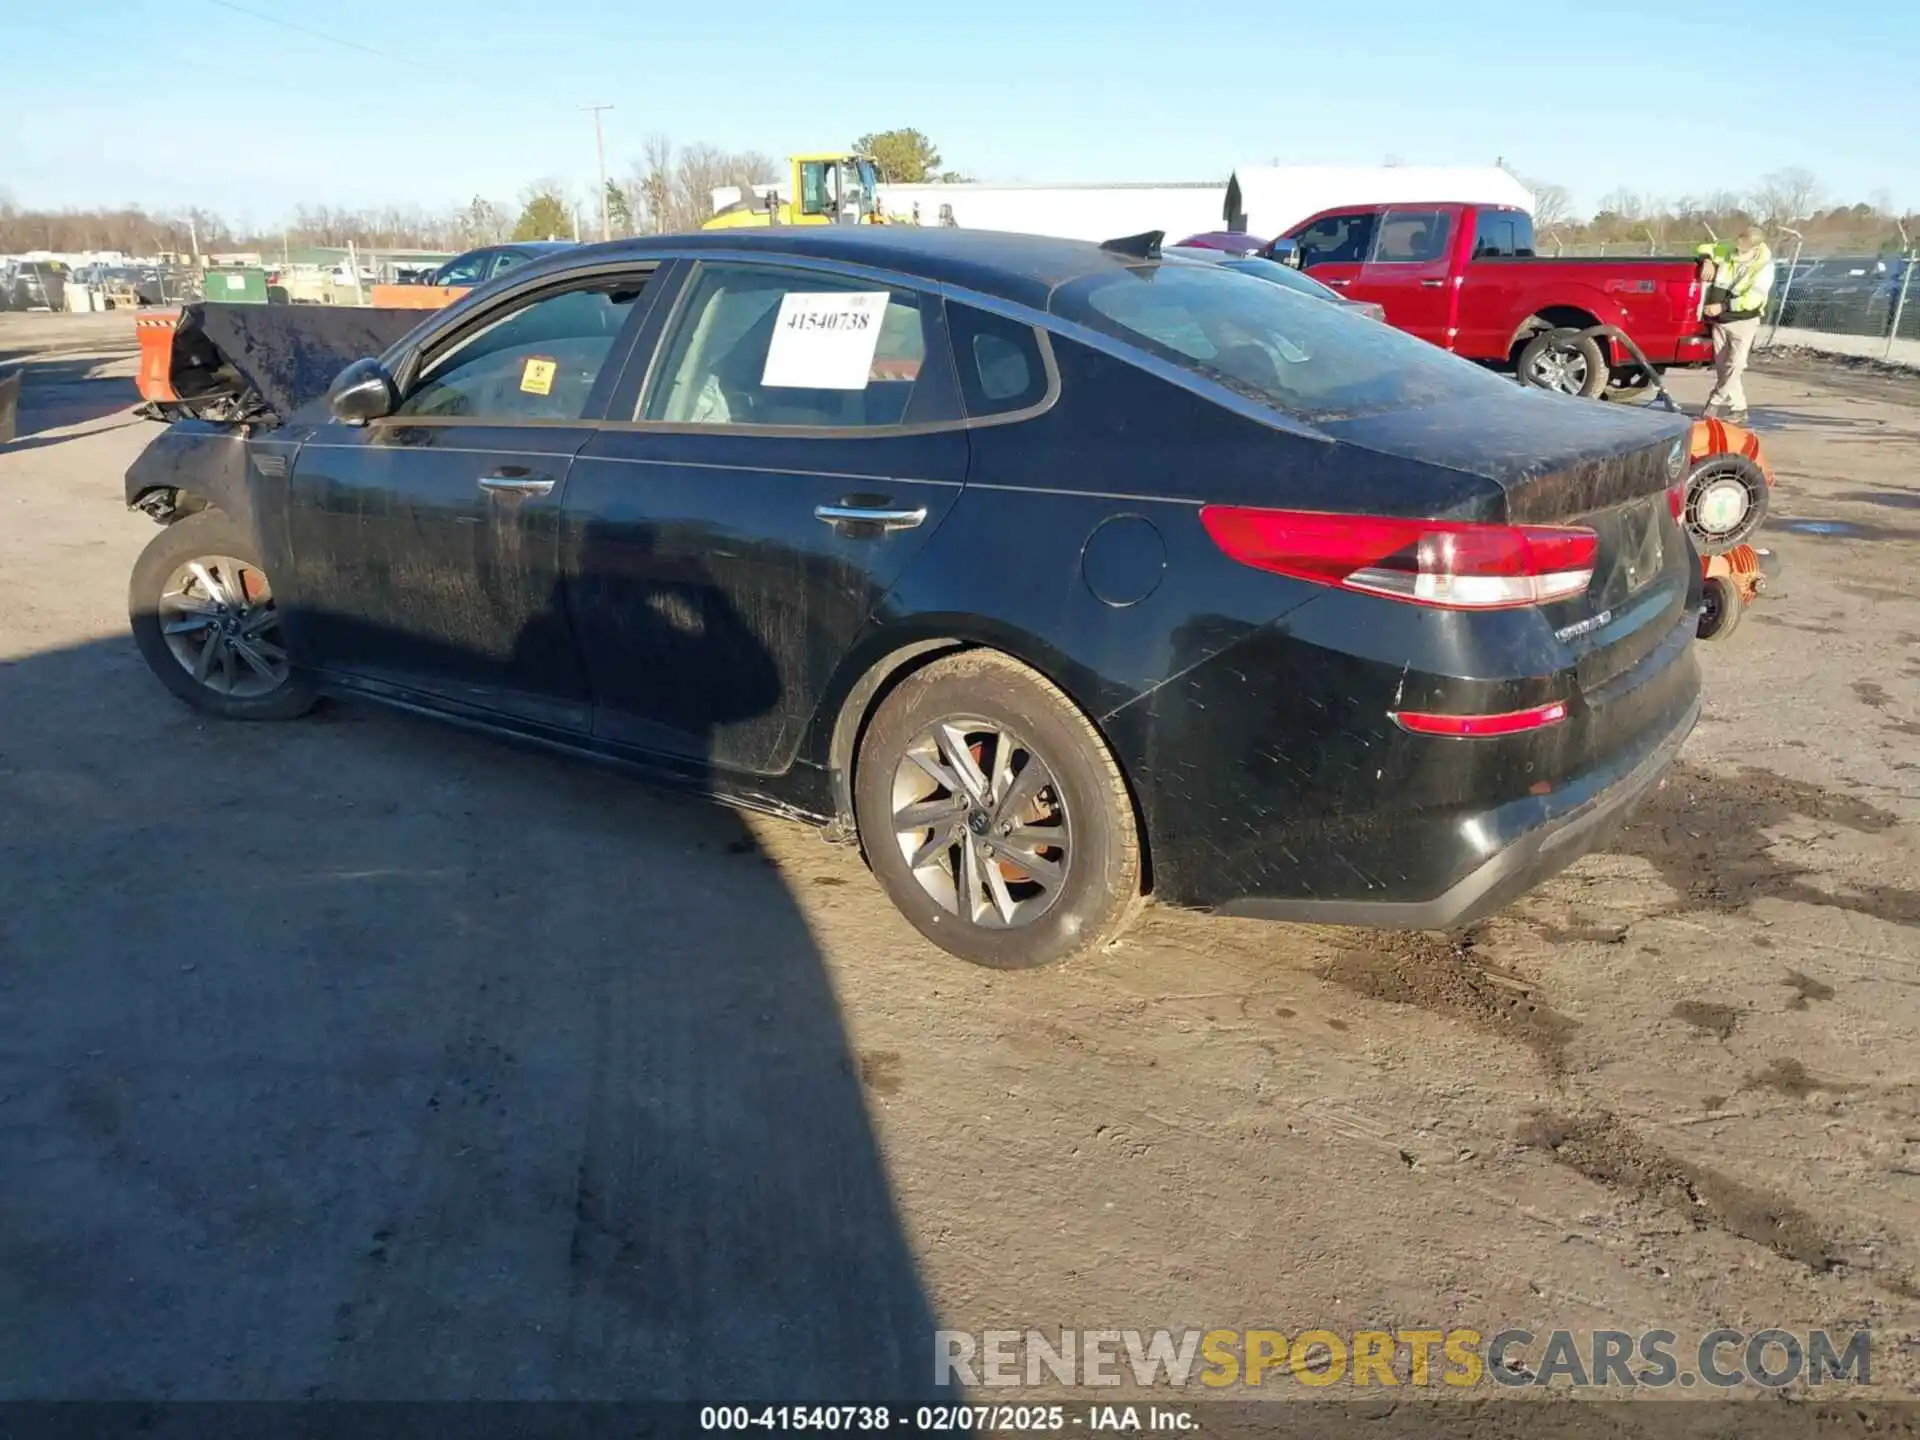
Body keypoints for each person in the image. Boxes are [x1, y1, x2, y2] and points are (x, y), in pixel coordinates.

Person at [1696, 228, 1773, 423]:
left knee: (1736, 365)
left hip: (1743, 321)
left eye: (1743, 249)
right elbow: (1705, 247)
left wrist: (1722, 306)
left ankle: (1714, 401)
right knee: (1724, 367)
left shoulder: (1763, 267)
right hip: (1720, 320)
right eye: (1737, 246)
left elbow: (1754, 299)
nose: (1738, 251)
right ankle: (1739, 410)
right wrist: (1706, 259)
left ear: (1755, 248)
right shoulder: (1728, 250)